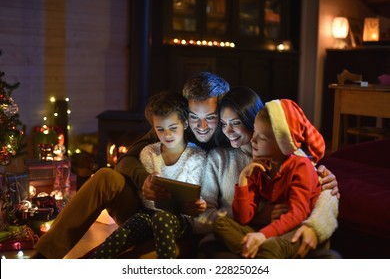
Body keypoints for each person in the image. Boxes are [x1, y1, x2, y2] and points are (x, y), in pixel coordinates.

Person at [31, 72, 338, 258]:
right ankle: (44, 257)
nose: (202, 127)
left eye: (212, 118)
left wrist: (323, 178)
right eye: (194, 117)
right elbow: (126, 158)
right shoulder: (176, 124)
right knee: (105, 177)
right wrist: (142, 179)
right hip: (142, 208)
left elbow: (296, 161)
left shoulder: (239, 138)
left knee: (147, 259)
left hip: (184, 226)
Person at [197, 87, 339, 259]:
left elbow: (321, 198)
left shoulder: (291, 156)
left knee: (329, 258)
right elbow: (204, 215)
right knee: (210, 246)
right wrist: (259, 215)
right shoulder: (220, 159)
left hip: (284, 232)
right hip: (246, 230)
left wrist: (313, 228)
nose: (227, 131)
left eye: (235, 123)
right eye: (223, 123)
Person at [89, 92, 206, 259]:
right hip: (148, 213)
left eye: (173, 128)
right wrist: (149, 187)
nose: (167, 135)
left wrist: (198, 204)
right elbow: (144, 194)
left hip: (180, 220)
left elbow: (196, 191)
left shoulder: (196, 156)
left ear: (185, 124)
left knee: (162, 219)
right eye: (160, 129)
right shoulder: (149, 153)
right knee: (119, 237)